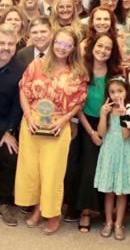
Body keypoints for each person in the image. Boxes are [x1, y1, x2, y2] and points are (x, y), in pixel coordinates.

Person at [16, 28, 88, 233]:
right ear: (52, 42)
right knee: (33, 171)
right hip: (33, 123)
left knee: (53, 173)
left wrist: (65, 120)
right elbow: (23, 90)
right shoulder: (36, 64)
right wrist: (28, 117)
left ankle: (53, 214)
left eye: (67, 45)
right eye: (59, 43)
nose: (62, 48)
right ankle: (38, 209)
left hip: (57, 125)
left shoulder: (78, 72)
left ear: (73, 48)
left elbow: (79, 100)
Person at [69, 32, 120, 231]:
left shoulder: (116, 73)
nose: (103, 51)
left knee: (106, 165)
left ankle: (104, 210)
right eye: (100, 46)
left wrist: (106, 125)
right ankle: (85, 211)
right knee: (89, 165)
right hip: (86, 123)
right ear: (92, 47)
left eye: (107, 48)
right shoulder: (82, 71)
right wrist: (92, 133)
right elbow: (77, 105)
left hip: (110, 122)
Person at [0, 26, 24, 224]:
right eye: (1, 43)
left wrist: (9, 131)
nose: (5, 48)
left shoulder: (20, 69)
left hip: (3, 125)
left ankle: (5, 203)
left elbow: (18, 107)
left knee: (11, 156)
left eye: (10, 44)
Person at [94, 77, 130, 240]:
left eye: (120, 91)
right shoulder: (106, 109)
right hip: (108, 151)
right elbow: (101, 133)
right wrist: (103, 114)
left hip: (124, 152)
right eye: (112, 92)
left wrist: (122, 114)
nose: (116, 95)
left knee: (121, 191)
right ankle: (108, 222)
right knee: (109, 191)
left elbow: (126, 135)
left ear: (126, 92)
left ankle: (119, 223)